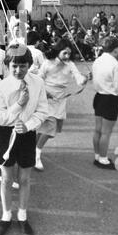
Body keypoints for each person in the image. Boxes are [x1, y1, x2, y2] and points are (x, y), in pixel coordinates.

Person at [0, 44, 48, 235]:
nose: (18, 70)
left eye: (23, 65)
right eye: (14, 65)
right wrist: (19, 104)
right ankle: (6, 216)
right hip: (7, 133)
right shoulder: (0, 87)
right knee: (6, 179)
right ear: (7, 65)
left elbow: (42, 110)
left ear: (30, 64)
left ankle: (22, 215)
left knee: (24, 178)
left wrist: (29, 125)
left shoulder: (38, 82)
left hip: (27, 134)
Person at [35, 39, 88, 171]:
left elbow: (79, 79)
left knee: (45, 129)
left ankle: (33, 151)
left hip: (60, 100)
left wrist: (85, 78)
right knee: (49, 127)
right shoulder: (47, 63)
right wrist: (43, 93)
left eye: (69, 54)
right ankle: (36, 154)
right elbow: (39, 79)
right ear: (58, 51)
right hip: (45, 98)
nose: (67, 56)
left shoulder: (70, 64)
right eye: (65, 53)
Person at [92, 37, 118, 169]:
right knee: (106, 132)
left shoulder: (97, 60)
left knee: (98, 130)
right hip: (110, 99)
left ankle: (98, 155)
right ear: (116, 49)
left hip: (99, 96)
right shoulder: (116, 65)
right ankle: (103, 159)